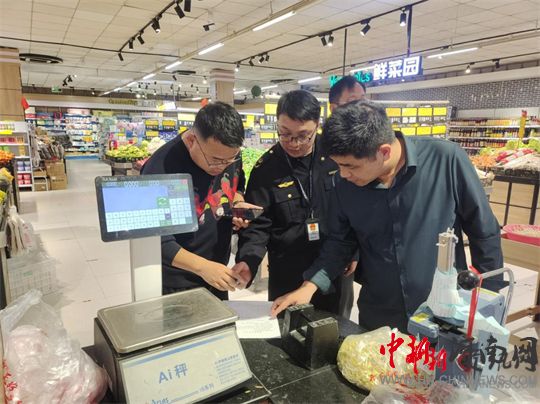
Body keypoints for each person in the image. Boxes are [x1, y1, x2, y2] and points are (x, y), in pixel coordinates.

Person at [271, 100, 504, 332]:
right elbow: (340, 242)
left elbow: (484, 230)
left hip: (444, 310)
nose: (343, 174)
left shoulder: (445, 159)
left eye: (350, 166)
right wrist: (309, 286)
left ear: (383, 152)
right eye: (339, 165)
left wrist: (488, 301)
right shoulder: (344, 185)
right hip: (380, 314)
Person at [233, 90, 353, 314]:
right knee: (287, 328)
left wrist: (355, 253)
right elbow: (258, 225)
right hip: (287, 271)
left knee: (337, 327)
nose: (294, 143)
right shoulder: (266, 169)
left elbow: (353, 209)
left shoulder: (336, 157)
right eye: (285, 134)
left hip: (334, 264)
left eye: (303, 135)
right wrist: (248, 261)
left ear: (317, 125)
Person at [142, 101, 259, 299]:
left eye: (230, 160)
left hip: (217, 271)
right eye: (215, 160)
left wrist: (237, 203)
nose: (223, 166)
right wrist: (203, 267)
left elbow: (237, 184)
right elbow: (154, 239)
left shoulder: (227, 152)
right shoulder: (160, 169)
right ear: (191, 140)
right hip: (179, 281)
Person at [327, 75, 367, 318]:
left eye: (363, 101)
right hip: (316, 247)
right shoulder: (327, 145)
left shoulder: (367, 149)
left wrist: (354, 253)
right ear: (334, 109)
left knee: (341, 310)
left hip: (345, 250)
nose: (360, 109)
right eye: (353, 102)